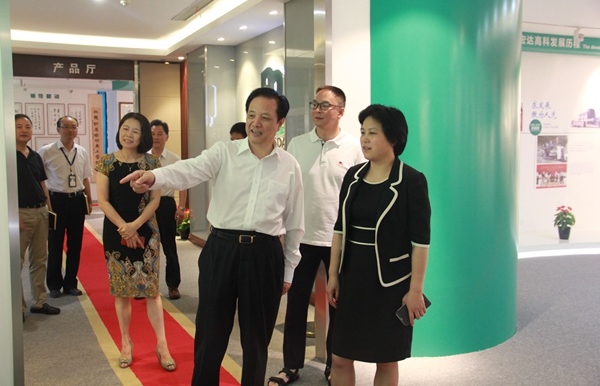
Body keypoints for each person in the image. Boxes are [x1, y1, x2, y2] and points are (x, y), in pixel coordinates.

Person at [121, 87, 304, 386]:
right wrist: (155, 177)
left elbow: (295, 223)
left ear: (280, 123)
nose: (256, 123)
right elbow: (189, 170)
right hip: (221, 249)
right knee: (210, 333)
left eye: (265, 117)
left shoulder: (289, 166)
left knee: (257, 339)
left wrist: (289, 269)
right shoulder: (225, 152)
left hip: (264, 254)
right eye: (251, 115)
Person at [326, 104, 431, 386]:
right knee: (340, 357)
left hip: (390, 283)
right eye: (363, 132)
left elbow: (420, 243)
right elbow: (339, 228)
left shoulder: (411, 181)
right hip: (352, 278)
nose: (365, 139)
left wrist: (415, 291)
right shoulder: (353, 176)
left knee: (385, 359)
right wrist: (333, 274)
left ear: (393, 138)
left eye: (373, 133)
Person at [268, 85, 364, 386]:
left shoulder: (354, 147)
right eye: (314, 104)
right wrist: (281, 229)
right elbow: (285, 190)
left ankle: (335, 365)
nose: (317, 110)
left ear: (341, 111)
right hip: (302, 238)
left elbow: (360, 197)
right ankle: (291, 365)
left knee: (340, 307)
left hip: (340, 240)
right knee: (296, 304)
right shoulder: (297, 144)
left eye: (325, 105)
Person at [96, 112, 175, 371]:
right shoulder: (106, 162)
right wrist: (125, 228)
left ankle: (162, 345)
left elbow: (155, 199)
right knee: (122, 292)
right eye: (125, 128)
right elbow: (103, 200)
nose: (128, 134)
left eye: (135, 131)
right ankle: (126, 343)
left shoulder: (152, 162)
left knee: (151, 291)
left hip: (147, 232)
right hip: (116, 232)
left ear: (143, 137)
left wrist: (136, 226)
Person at [38, 115, 93, 298]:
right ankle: (54, 285)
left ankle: (70, 283)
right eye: (66, 126)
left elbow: (85, 178)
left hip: (77, 201)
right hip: (56, 201)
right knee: (55, 244)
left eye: (74, 126)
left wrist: (89, 200)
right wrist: (47, 204)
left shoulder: (82, 152)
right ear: (58, 129)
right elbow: (40, 180)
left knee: (75, 244)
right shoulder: (46, 151)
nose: (70, 130)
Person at [15, 114, 61, 319]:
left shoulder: (34, 156)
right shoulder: (6, 157)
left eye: (27, 126)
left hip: (40, 211)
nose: (24, 130)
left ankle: (39, 301)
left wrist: (49, 211)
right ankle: (17, 308)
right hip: (19, 214)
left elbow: (43, 184)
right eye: (19, 127)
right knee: (16, 262)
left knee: (40, 259)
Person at [149, 119, 187, 300]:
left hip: (165, 204)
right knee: (147, 247)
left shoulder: (174, 159)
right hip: (147, 205)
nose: (156, 137)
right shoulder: (142, 157)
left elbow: (183, 184)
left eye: (159, 134)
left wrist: (181, 207)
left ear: (167, 136)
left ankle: (173, 286)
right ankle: (145, 284)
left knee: (169, 246)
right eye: (152, 134)